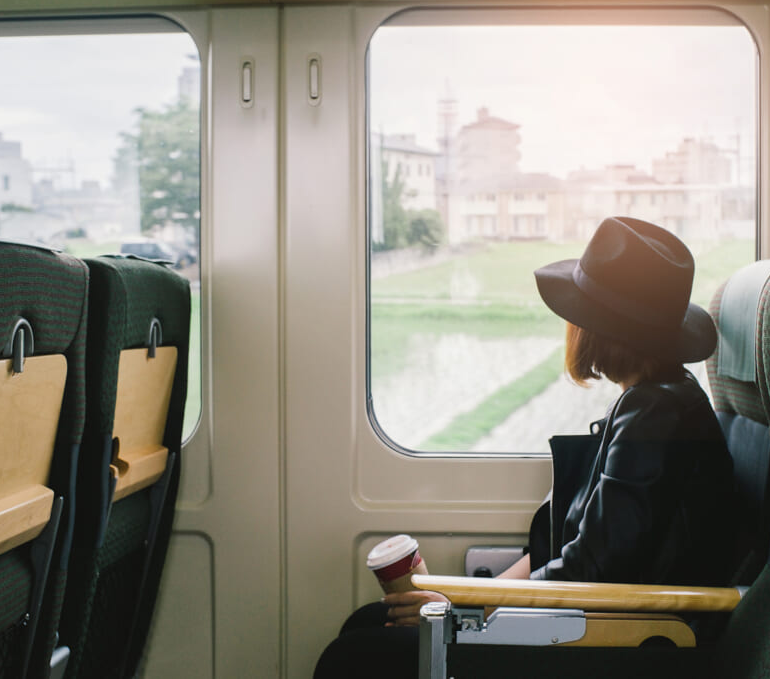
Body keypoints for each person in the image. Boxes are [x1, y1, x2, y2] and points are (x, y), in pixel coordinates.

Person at [314, 216, 735, 678]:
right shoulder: (660, 398)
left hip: (615, 638)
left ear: (598, 328)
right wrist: (463, 596)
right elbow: (587, 549)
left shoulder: (655, 414)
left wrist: (466, 612)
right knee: (368, 624)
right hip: (592, 617)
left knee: (353, 658)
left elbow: (589, 575)